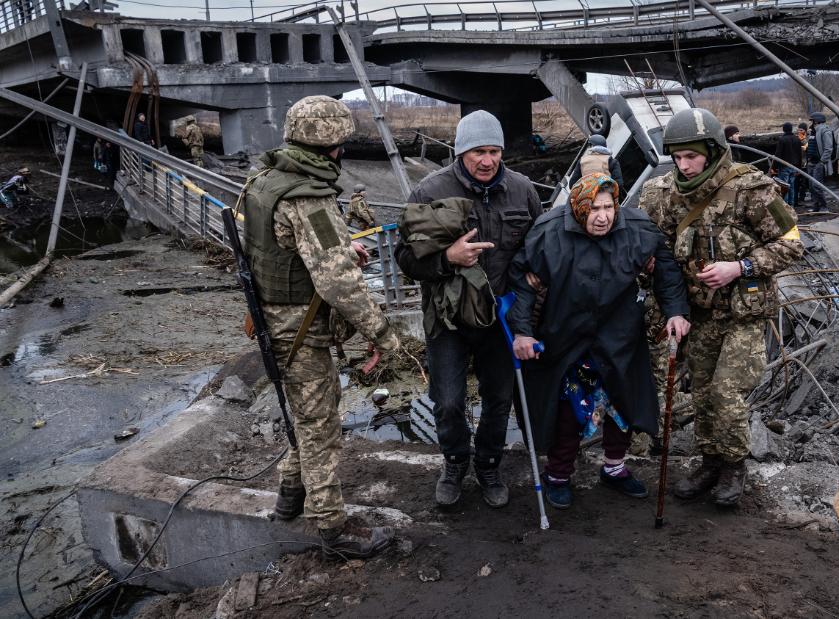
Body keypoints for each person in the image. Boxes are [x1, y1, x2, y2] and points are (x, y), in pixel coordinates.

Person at [239, 95, 399, 561]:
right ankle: (332, 524)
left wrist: (344, 251)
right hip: (299, 327)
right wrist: (382, 334)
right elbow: (340, 283)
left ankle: (290, 493)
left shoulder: (264, 181)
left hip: (273, 319)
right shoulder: (308, 195)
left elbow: (286, 252)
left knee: (307, 416)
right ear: (333, 142)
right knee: (320, 424)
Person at [640, 108, 804, 507]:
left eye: (691, 156)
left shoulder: (752, 189)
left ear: (713, 152)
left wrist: (740, 266)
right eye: (677, 157)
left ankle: (734, 466)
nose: (684, 165)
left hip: (743, 314)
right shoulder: (661, 194)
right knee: (702, 396)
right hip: (698, 314)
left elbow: (792, 243)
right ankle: (710, 460)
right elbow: (652, 250)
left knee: (727, 393)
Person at [506, 172, 690, 509]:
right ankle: (558, 474)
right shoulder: (549, 232)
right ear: (578, 208)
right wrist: (522, 331)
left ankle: (615, 468)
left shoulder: (635, 228)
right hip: (565, 332)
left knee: (621, 401)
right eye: (593, 209)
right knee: (569, 407)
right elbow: (522, 285)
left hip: (620, 333)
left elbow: (666, 270)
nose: (603, 216)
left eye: (608, 207)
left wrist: (676, 312)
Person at [395, 110, 543, 508]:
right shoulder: (429, 191)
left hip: (502, 317)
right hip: (447, 318)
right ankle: (455, 462)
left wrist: (536, 276)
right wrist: (448, 258)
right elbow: (404, 260)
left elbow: (541, 246)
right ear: (461, 152)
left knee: (499, 398)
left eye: (494, 151)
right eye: (479, 151)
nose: (487, 160)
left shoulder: (522, 189)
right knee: (447, 400)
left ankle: (489, 464)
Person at [806, 112, 834, 212]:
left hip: (819, 163)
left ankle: (824, 206)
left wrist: (822, 162)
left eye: (812, 120)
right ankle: (815, 207)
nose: (811, 122)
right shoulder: (813, 132)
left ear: (816, 121)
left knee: (817, 185)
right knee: (811, 186)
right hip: (811, 163)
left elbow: (828, 148)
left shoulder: (825, 131)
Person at [773, 122, 802, 207]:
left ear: (783, 129)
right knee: (791, 186)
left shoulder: (782, 140)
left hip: (784, 166)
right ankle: (791, 205)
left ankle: (785, 206)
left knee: (783, 187)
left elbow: (778, 154)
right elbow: (800, 154)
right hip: (794, 167)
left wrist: (774, 167)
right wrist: (799, 168)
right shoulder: (797, 139)